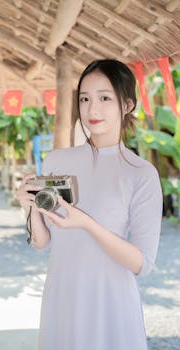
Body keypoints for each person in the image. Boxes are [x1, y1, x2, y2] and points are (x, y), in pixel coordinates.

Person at [17, 59, 163, 350]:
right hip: (63, 298)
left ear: (127, 105)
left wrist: (85, 222)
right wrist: (30, 207)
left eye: (104, 98)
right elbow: (42, 242)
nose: (92, 109)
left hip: (111, 304)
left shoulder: (141, 173)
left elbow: (142, 263)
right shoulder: (58, 161)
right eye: (84, 98)